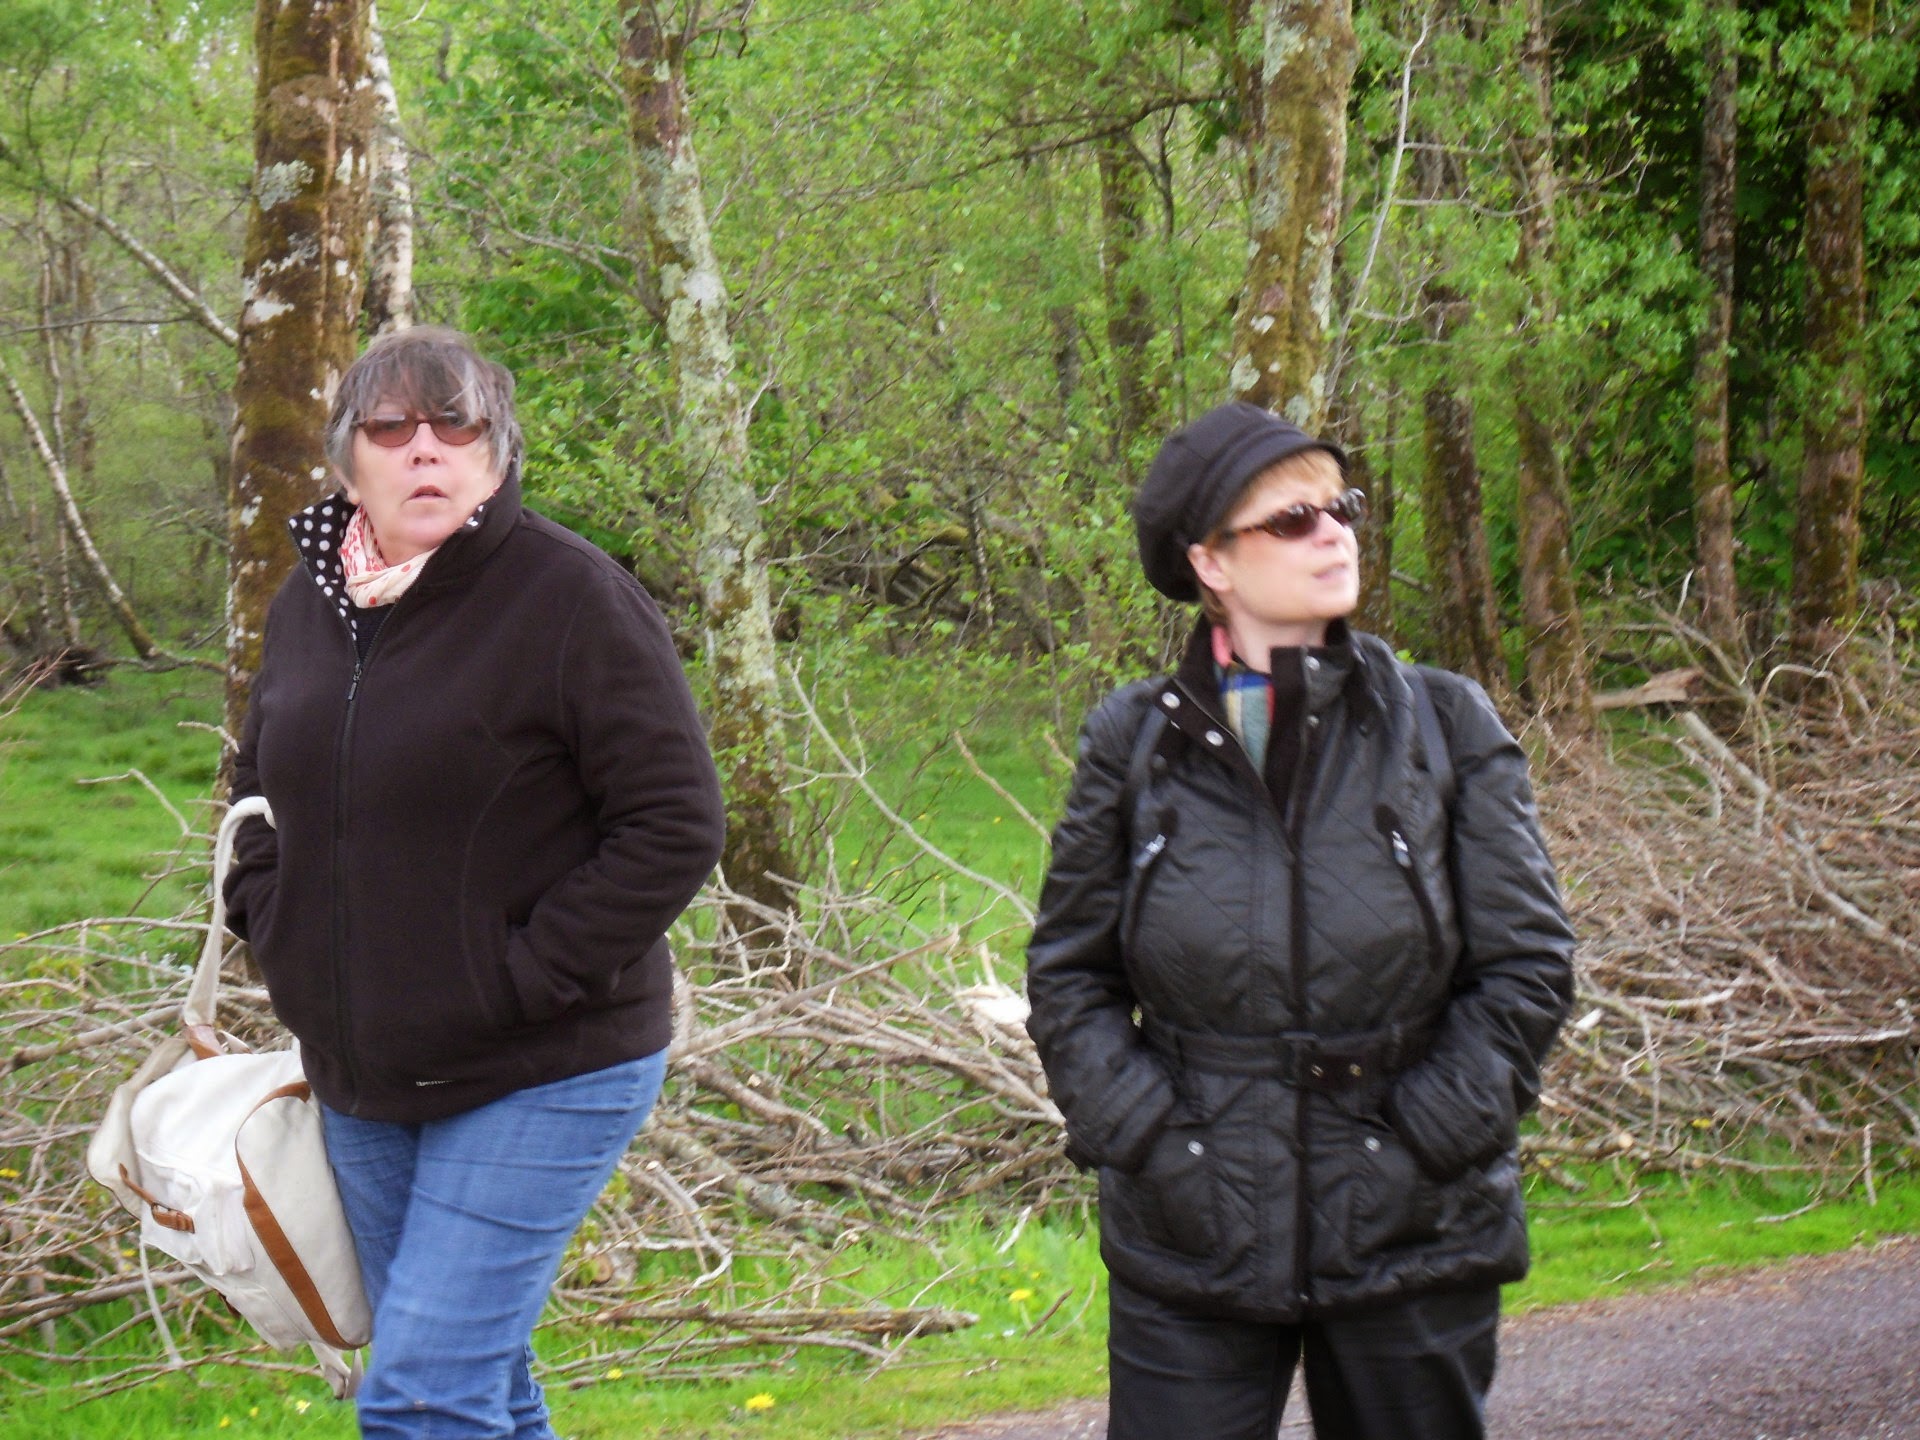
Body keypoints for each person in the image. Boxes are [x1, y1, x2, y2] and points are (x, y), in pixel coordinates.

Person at [1025, 402, 1575, 1440]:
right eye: (1292, 519)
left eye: (1341, 507)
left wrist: (1423, 1141)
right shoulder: (1133, 742)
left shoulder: (1446, 724)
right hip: (1192, 1234)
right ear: (1211, 563)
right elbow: (1069, 976)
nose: (1334, 534)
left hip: (1414, 1226)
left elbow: (1528, 967)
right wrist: (1153, 1141)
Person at [222, 326, 725, 1438]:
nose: (426, 449)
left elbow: (675, 822)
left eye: (457, 426)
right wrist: (276, 929)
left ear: (496, 457)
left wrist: (518, 978)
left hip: (544, 1063)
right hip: (364, 1075)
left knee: (420, 1395)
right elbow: (258, 787)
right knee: (474, 1384)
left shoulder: (570, 596)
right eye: (392, 427)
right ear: (348, 459)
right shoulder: (310, 603)